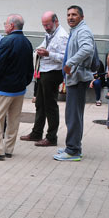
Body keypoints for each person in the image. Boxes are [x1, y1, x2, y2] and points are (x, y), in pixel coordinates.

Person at [0, 14, 34, 160]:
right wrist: (24, 82)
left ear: (11, 26)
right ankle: (9, 148)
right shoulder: (27, 42)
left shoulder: (6, 41)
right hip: (19, 89)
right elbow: (30, 68)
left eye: (5, 24)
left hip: (3, 88)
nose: (4, 26)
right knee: (13, 120)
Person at [20, 11, 68, 147]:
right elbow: (43, 45)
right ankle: (36, 132)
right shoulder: (50, 33)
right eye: (44, 25)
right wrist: (40, 50)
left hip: (53, 73)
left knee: (50, 106)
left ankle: (51, 137)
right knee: (40, 104)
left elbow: (65, 58)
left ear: (56, 21)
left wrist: (48, 53)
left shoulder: (62, 36)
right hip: (44, 71)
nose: (46, 27)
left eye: (48, 25)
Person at [55, 5, 95, 161]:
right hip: (75, 78)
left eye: (74, 15)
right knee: (73, 114)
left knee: (73, 115)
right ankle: (72, 146)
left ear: (82, 17)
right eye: (68, 15)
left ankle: (73, 151)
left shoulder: (83, 31)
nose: (70, 17)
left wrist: (70, 63)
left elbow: (87, 49)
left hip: (78, 78)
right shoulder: (76, 30)